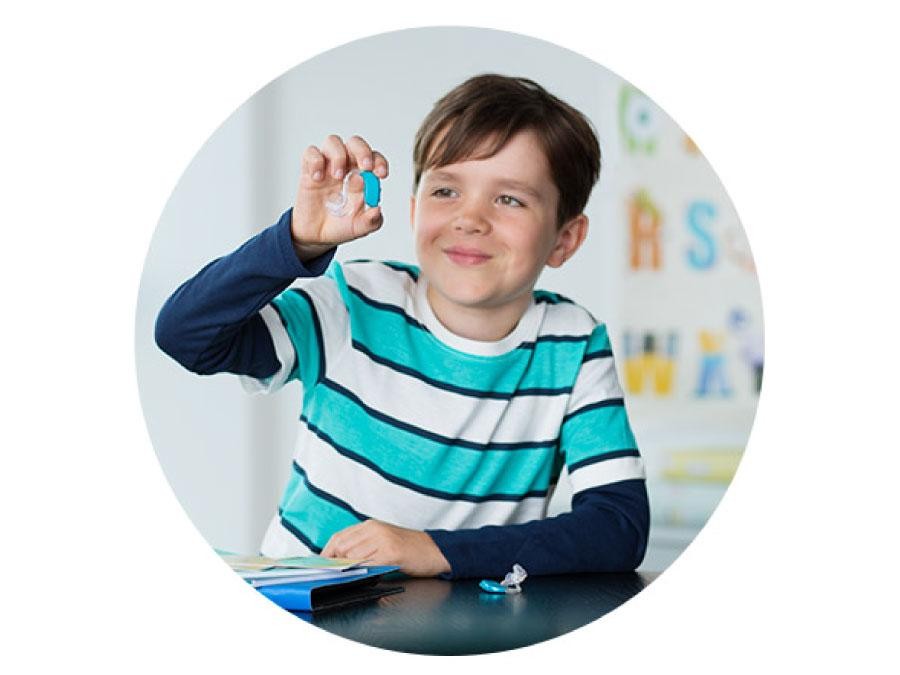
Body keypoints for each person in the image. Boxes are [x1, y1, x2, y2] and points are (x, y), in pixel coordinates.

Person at [155, 74, 650, 579]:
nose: (470, 219)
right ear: (415, 212)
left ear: (565, 239)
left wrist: (434, 551)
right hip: (302, 597)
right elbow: (186, 336)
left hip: (465, 618)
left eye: (509, 200)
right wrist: (297, 241)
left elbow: (618, 527)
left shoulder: (575, 344)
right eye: (446, 190)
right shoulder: (353, 302)